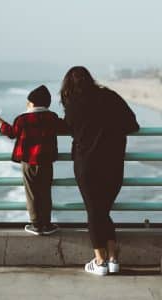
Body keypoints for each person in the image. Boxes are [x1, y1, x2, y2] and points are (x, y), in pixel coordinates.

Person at [60, 66, 140, 275]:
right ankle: (113, 259)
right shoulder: (110, 97)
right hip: (113, 164)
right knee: (102, 211)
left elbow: (67, 127)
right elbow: (132, 124)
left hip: (87, 165)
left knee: (95, 212)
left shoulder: (73, 105)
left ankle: (100, 261)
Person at [0, 85, 68, 236]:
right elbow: (65, 127)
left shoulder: (22, 119)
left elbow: (12, 133)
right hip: (46, 162)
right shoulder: (51, 118)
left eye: (28, 102)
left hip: (28, 162)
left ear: (32, 103)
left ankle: (35, 224)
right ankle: (47, 224)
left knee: (31, 193)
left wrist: (0, 123)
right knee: (45, 192)